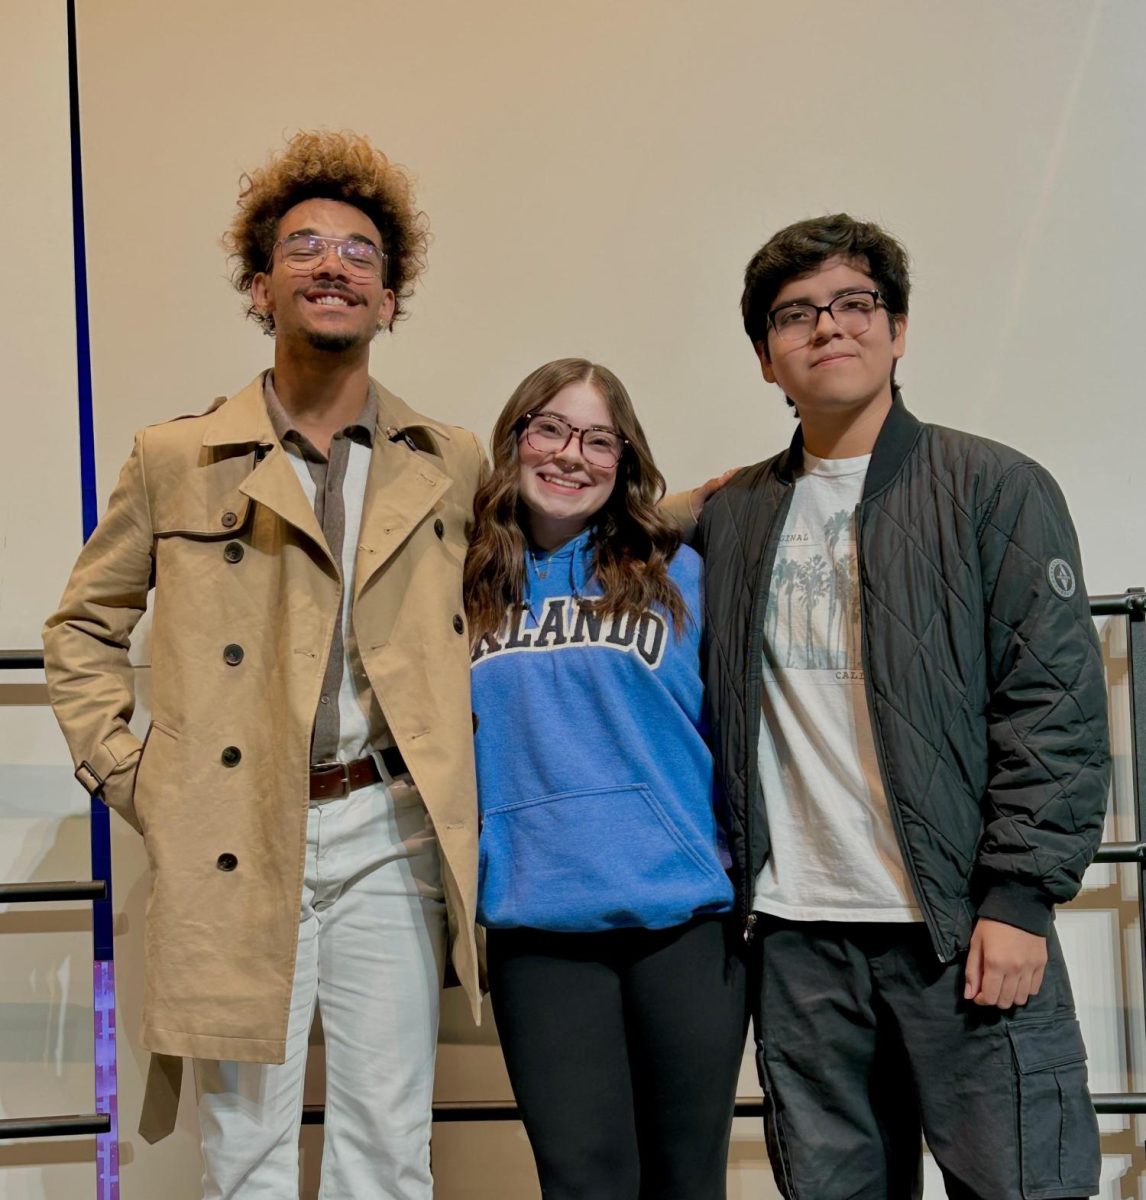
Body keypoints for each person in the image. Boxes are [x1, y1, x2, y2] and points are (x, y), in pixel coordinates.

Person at [42, 130, 485, 1199]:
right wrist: (135, 774)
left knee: (389, 1148)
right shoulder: (173, 455)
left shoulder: (451, 459)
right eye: (303, 247)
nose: (333, 264)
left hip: (389, 832)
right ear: (260, 285)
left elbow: (561, 550)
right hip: (235, 834)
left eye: (360, 253)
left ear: (389, 300)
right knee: (242, 1155)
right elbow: (82, 626)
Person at [696, 214, 1110, 1199]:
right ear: (766, 358)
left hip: (959, 930)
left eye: (854, 304)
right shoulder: (734, 515)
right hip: (797, 940)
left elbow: (1053, 705)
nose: (829, 328)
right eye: (797, 315)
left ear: (898, 329)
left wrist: (1018, 899)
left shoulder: (993, 486)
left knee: (1024, 1183)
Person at [464, 358, 747, 1200]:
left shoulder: (680, 573)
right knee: (582, 1181)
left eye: (597, 439)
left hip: (684, 921)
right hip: (538, 923)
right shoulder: (466, 583)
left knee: (687, 1183)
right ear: (514, 439)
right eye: (548, 428)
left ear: (623, 459)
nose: (570, 454)